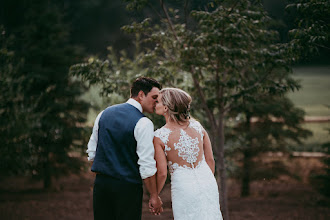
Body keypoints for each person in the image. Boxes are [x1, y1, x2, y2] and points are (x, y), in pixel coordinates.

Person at [86, 77, 163, 220]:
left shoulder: (104, 113)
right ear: (141, 95)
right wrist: (154, 195)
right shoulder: (144, 123)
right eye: (154, 97)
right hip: (128, 187)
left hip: (101, 185)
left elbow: (92, 152)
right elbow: (146, 165)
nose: (157, 102)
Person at [153, 88, 223, 220]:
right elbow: (210, 160)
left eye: (158, 102)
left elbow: (162, 173)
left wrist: (155, 195)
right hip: (207, 182)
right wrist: (206, 180)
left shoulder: (159, 136)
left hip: (183, 186)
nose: (155, 104)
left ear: (166, 107)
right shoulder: (197, 126)